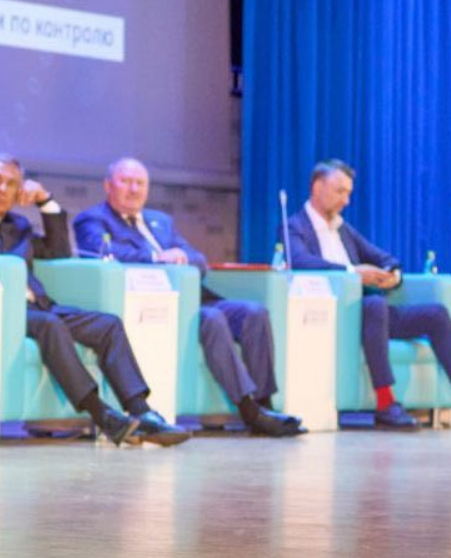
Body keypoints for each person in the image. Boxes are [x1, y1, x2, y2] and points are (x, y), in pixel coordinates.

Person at [0, 154, 189, 446]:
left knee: (108, 325)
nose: (1, 189)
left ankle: (142, 411)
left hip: (39, 305)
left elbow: (59, 251)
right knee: (50, 325)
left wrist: (45, 201)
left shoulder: (19, 225)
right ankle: (102, 414)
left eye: (11, 184)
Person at [74, 158, 302, 436]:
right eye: (126, 182)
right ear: (108, 185)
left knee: (253, 312)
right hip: (148, 303)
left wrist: (182, 257)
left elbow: (198, 259)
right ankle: (249, 410)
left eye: (140, 183)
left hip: (193, 296)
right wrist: (158, 258)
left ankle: (266, 404)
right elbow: (103, 254)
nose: (134, 189)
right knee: (212, 318)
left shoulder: (160, 221)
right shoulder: (92, 219)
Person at [284, 161, 451, 432]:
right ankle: (385, 404)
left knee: (435, 314)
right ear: (317, 187)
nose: (346, 201)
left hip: (371, 315)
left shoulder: (343, 229)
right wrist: (353, 273)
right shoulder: (295, 227)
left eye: (348, 193)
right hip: (331, 315)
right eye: (340, 192)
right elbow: (301, 261)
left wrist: (393, 275)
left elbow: (385, 258)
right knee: (375, 305)